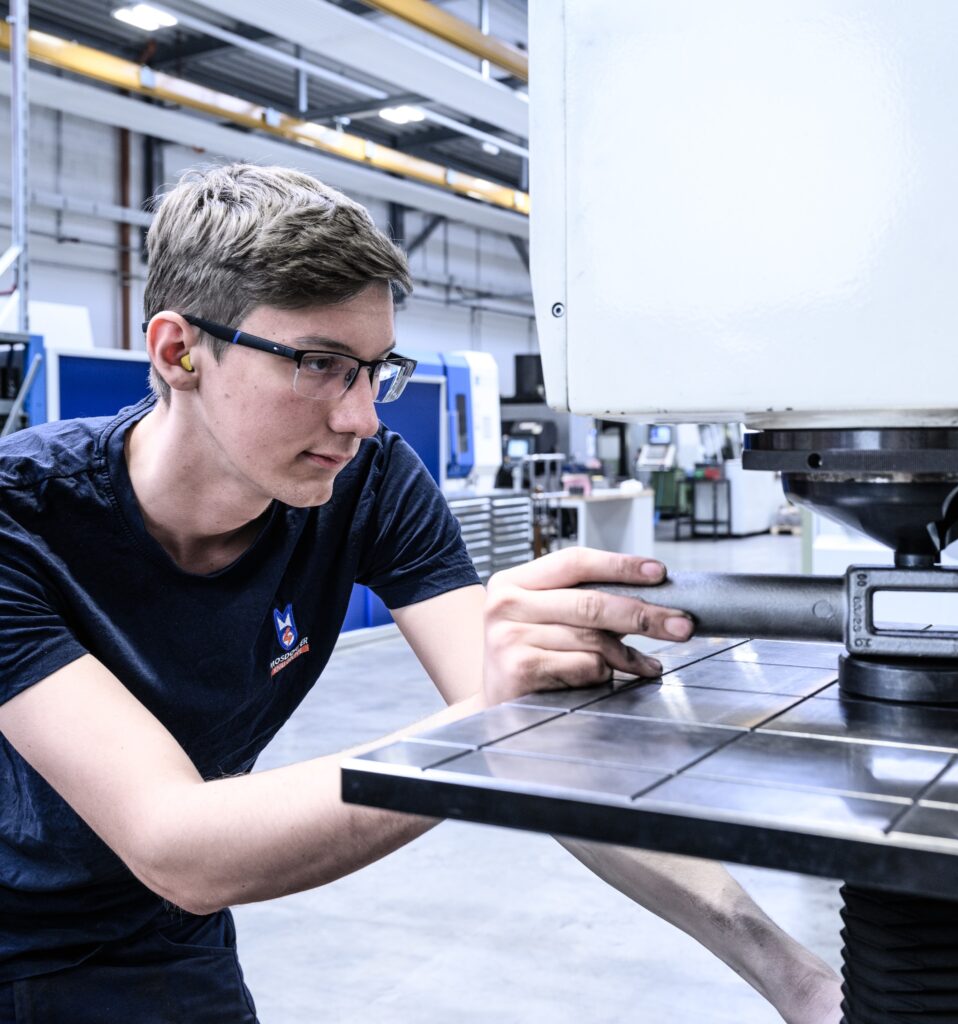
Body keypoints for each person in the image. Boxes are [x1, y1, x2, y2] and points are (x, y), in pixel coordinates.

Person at [0, 164, 841, 1023]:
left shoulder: (363, 484)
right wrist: (493, 722)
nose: (361, 417)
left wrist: (797, 982)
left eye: (374, 370)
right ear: (179, 351)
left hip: (169, 937)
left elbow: (543, 748)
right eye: (320, 365)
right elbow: (178, 843)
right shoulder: (20, 519)